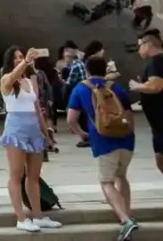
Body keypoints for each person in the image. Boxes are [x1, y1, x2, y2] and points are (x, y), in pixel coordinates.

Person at [67, 56, 138, 240]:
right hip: (126, 140)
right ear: (105, 70)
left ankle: (125, 220)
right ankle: (127, 215)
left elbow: (71, 119)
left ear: (86, 70)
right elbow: (129, 116)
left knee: (106, 181)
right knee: (121, 176)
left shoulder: (81, 88)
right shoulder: (116, 88)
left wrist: (82, 133)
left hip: (103, 140)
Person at [0, 46, 62, 232]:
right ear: (11, 61)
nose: (20, 60)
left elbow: (37, 107)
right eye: (16, 58)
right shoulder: (6, 79)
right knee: (16, 174)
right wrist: (25, 62)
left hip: (33, 128)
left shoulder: (28, 80)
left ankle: (38, 215)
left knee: (34, 175)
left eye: (21, 57)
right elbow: (10, 78)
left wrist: (46, 131)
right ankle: (21, 218)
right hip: (16, 128)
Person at [129, 29, 163, 176]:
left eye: (140, 45)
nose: (139, 50)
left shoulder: (157, 62)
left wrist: (137, 86)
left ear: (148, 44)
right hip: (158, 125)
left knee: (160, 160)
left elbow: (156, 86)